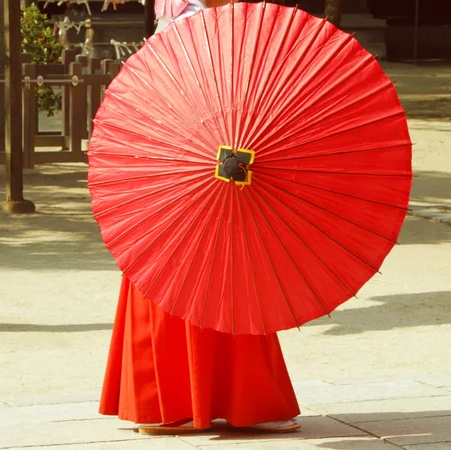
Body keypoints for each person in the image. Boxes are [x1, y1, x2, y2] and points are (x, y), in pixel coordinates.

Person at [97, 0, 302, 435]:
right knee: (180, 251)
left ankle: (208, 399)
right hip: (180, 89)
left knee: (217, 260)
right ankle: (176, 401)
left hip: (202, 87)